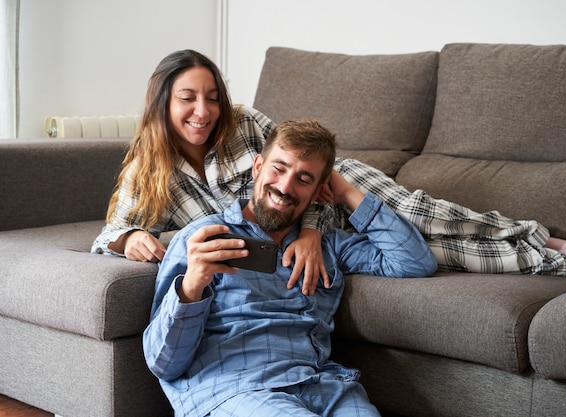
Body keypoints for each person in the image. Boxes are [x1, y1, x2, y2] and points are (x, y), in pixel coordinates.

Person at [92, 49, 566, 283]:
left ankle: (541, 236)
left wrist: (309, 233)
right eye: (188, 98)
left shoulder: (245, 122)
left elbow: (298, 162)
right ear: (162, 101)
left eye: (212, 96)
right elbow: (109, 233)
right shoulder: (149, 169)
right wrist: (129, 237)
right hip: (290, 225)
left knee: (425, 214)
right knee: (438, 255)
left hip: (331, 188)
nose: (203, 111)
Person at [143, 119, 437, 417]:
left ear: (319, 191)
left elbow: (415, 262)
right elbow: (164, 364)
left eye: (304, 179)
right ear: (257, 167)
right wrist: (192, 286)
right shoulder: (204, 239)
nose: (285, 187)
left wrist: (346, 193)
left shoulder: (327, 245)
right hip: (236, 389)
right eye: (279, 168)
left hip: (322, 386)